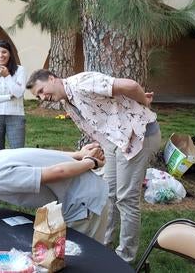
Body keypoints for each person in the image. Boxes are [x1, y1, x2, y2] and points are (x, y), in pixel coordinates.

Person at [26, 69, 161, 263]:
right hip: (117, 141)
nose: (42, 97)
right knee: (108, 193)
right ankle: (104, 245)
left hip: (138, 135)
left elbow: (130, 85)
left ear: (52, 79)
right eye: (38, 95)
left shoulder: (81, 82)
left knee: (126, 198)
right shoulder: (68, 101)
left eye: (41, 90)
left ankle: (125, 257)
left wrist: (144, 102)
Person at [0, 40, 27, 152]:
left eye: (4, 52)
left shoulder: (20, 70)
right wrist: (8, 97)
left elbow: (18, 93)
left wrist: (7, 76)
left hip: (15, 115)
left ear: (10, 53)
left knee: (18, 151)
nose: (1, 55)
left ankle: (18, 170)